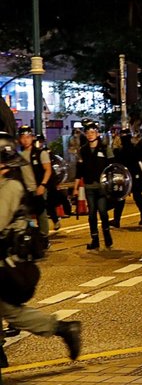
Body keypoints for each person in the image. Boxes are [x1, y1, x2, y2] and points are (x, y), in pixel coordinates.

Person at [0, 137, 82, 372]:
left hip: (6, 261)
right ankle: (63, 329)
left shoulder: (9, 187)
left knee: (10, 312)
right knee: (10, 312)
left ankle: (63, 329)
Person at [73, 123, 115, 250]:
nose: (90, 135)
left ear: (97, 133)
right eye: (88, 133)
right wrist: (75, 188)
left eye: (92, 132)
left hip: (102, 186)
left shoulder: (104, 148)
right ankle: (95, 239)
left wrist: (112, 183)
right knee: (91, 213)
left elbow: (112, 167)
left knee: (102, 211)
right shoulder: (83, 150)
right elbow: (79, 171)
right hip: (89, 186)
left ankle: (107, 236)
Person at [17, 126, 52, 240]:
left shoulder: (40, 153)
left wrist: (42, 185)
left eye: (28, 137)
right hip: (25, 191)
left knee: (41, 214)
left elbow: (48, 169)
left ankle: (44, 237)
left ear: (32, 138)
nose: (25, 140)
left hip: (38, 188)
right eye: (23, 137)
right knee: (25, 215)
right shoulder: (19, 156)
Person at [114, 129, 142, 227]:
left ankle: (117, 220)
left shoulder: (122, 151)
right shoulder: (134, 148)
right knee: (137, 197)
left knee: (122, 198)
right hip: (133, 175)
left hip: (127, 176)